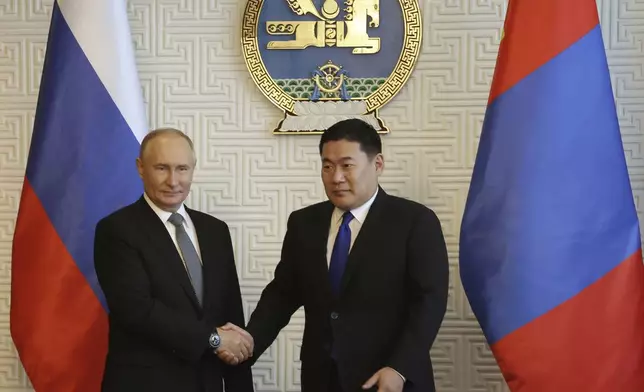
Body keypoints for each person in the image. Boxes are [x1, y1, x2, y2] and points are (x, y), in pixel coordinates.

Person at [222, 119, 449, 392]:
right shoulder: (304, 223)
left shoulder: (414, 221)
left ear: (377, 164)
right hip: (322, 378)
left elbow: (429, 303)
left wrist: (400, 368)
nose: (336, 177)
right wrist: (249, 342)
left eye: (347, 165)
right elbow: (282, 295)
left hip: (389, 379)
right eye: (327, 166)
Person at [94, 128, 254, 392]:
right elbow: (137, 310)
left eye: (182, 169)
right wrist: (214, 339)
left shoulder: (216, 230)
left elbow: (230, 313)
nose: (173, 180)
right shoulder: (116, 230)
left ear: (193, 169)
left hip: (207, 382)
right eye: (161, 168)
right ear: (140, 168)